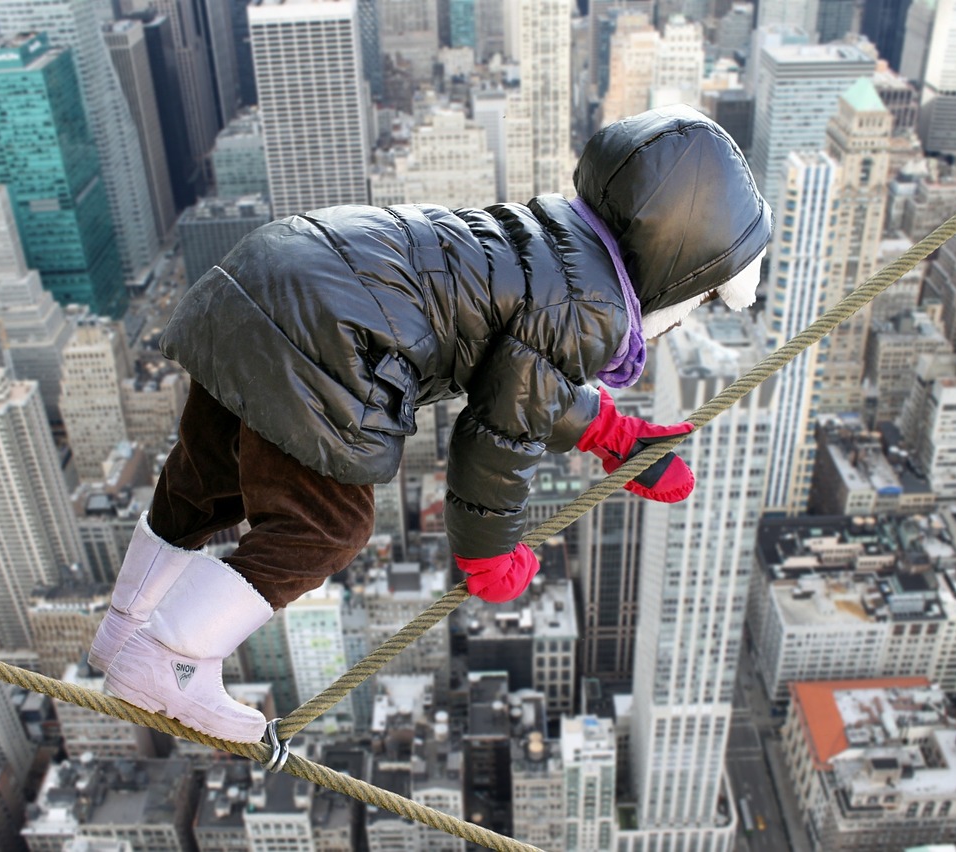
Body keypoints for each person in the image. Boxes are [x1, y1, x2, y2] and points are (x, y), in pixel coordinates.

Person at [90, 105, 773, 743]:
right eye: (706, 291)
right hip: (325, 332)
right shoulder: (591, 307)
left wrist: (609, 434)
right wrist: (487, 551)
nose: (693, 312)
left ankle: (125, 628)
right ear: (678, 267)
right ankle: (169, 658)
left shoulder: (551, 241)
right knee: (329, 524)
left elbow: (517, 377)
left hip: (261, 277)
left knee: (205, 481)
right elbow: (499, 437)